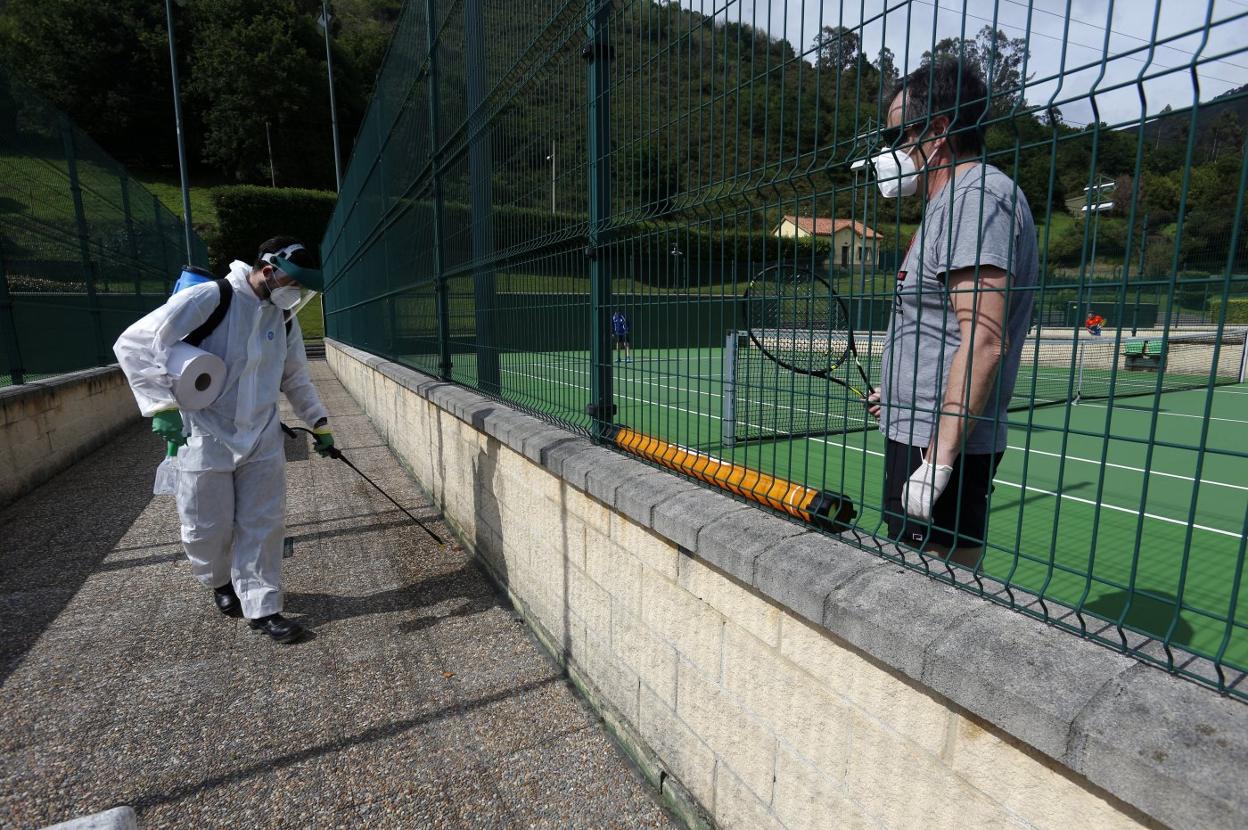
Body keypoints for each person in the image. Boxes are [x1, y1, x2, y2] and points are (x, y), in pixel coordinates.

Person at [114, 237, 334, 643]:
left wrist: (318, 421)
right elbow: (135, 342)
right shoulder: (211, 298)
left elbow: (295, 375)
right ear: (268, 270)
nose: (297, 293)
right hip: (205, 433)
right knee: (206, 527)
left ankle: (264, 607)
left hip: (262, 435)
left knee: (263, 523)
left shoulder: (284, 317)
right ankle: (219, 581)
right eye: (293, 282)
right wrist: (161, 406)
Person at [864, 58, 1039, 566]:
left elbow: (984, 339)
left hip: (942, 445)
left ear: (938, 131)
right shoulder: (949, 203)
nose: (890, 148)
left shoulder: (977, 199)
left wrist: (939, 461)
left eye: (897, 133)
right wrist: (899, 392)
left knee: (938, 589)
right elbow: (937, 328)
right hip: (920, 428)